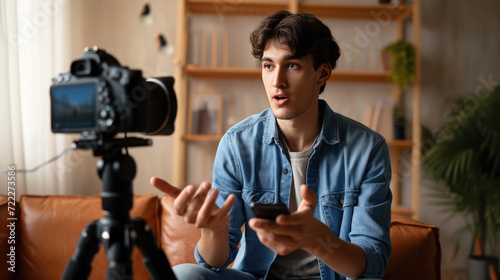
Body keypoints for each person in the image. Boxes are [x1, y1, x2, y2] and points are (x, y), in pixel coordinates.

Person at [151, 10, 392, 280]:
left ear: (322, 73)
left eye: (292, 66)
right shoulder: (237, 143)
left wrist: (315, 238)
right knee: (183, 275)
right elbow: (214, 263)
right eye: (268, 66)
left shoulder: (368, 149)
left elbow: (372, 263)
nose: (277, 81)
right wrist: (214, 230)